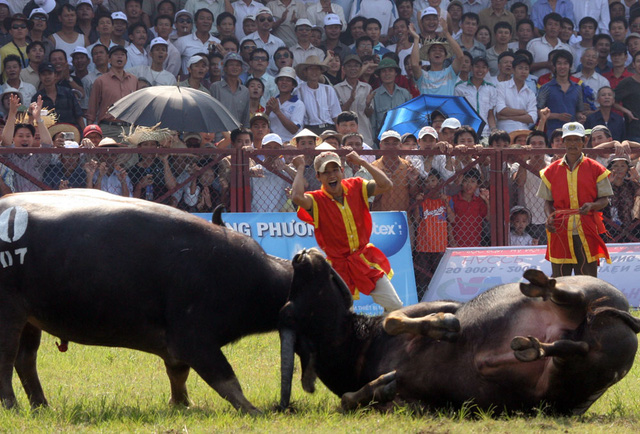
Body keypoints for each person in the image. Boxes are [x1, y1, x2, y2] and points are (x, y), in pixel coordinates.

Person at [291, 148, 403, 313]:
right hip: (338, 266)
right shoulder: (315, 200)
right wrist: (300, 167)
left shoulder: (357, 186)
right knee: (342, 314)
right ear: (318, 177)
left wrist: (363, 162)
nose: (332, 175)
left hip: (364, 259)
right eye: (326, 172)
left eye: (335, 170)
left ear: (342, 171)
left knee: (395, 306)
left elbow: (386, 185)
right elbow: (297, 197)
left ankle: (381, 336)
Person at [537, 122, 613, 277]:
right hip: (560, 228)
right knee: (559, 278)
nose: (572, 144)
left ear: (584, 141)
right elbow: (547, 202)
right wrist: (550, 217)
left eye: (576, 139)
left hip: (586, 227)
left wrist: (592, 205)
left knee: (587, 277)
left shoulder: (596, 168)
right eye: (569, 140)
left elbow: (604, 200)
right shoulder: (550, 170)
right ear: (563, 142)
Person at [413, 168, 455, 299]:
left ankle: (440, 298)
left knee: (439, 277)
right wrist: (416, 204)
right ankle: (423, 299)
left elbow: (452, 219)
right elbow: (416, 220)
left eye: (433, 180)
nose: (430, 184)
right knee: (423, 279)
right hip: (424, 245)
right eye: (427, 181)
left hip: (441, 245)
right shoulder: (423, 201)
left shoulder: (446, 199)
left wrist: (447, 204)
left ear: (439, 182)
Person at [0, 94, 53, 192]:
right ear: (14, 138)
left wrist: (38, 118)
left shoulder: (38, 158)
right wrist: (12, 113)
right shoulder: (10, 157)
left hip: (35, 202)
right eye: (20, 136)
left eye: (28, 136)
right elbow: (6, 142)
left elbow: (47, 144)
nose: (24, 139)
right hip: (14, 202)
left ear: (33, 139)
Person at [86, 45, 138, 140]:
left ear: (126, 60)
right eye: (115, 54)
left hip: (128, 129)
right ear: (109, 59)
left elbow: (138, 106)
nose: (119, 57)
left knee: (130, 154)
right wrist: (89, 132)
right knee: (106, 154)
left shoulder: (133, 80)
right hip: (107, 128)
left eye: (122, 55)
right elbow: (92, 109)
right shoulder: (100, 81)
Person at [294, 55, 341, 135]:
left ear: (321, 72)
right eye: (311, 69)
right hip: (309, 129)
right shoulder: (298, 91)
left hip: (329, 128)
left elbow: (336, 114)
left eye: (317, 69)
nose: (314, 72)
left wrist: (339, 132)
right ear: (305, 72)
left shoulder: (328, 89)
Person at [450, 168, 489, 247]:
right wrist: (452, 242)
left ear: (477, 184)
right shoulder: (454, 200)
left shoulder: (479, 201)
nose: (469, 185)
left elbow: (488, 218)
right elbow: (449, 222)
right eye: (466, 181)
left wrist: (487, 201)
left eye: (473, 181)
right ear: (461, 182)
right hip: (456, 244)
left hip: (474, 244)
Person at [265, 66, 304, 143]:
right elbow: (263, 124)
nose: (284, 82)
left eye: (288, 80)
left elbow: (294, 129)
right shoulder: (273, 101)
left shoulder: (298, 104)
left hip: (291, 143)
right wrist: (267, 112)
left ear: (293, 85)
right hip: (273, 143)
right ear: (277, 83)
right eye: (281, 80)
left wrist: (278, 112)